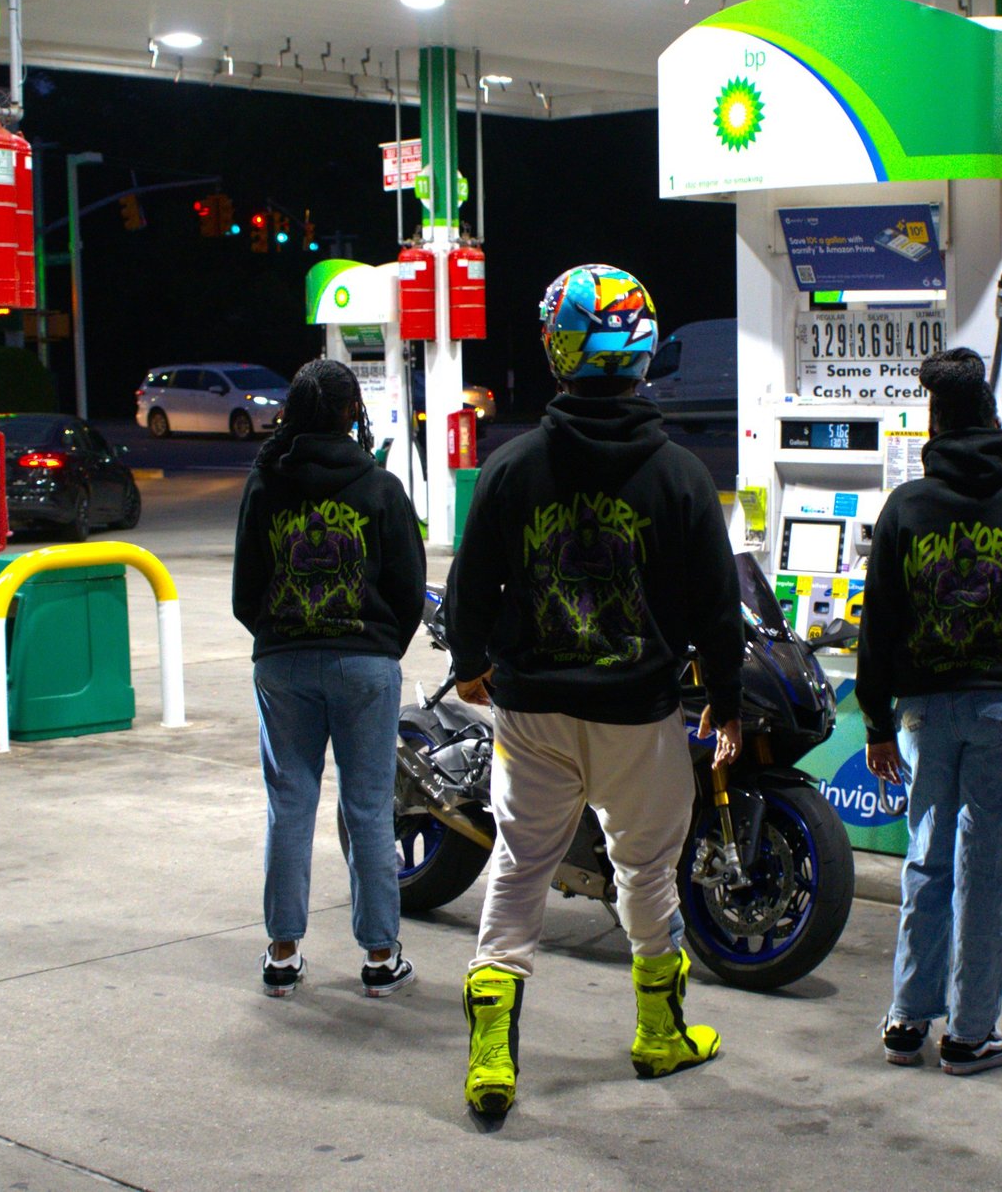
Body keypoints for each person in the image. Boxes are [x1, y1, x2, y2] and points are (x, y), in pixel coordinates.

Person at [443, 264, 744, 1119]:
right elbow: (718, 606)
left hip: (530, 709)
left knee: (519, 862)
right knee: (644, 867)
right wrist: (725, 697)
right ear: (644, 352)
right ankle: (659, 1033)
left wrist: (470, 659)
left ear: (558, 351)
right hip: (638, 716)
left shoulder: (512, 465)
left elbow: (473, 582)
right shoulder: (680, 474)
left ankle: (493, 1057)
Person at [858, 347, 1002, 1075]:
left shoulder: (906, 508)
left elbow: (879, 624)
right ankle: (970, 1033)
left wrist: (875, 718)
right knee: (985, 869)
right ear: (993, 421)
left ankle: (904, 1020)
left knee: (926, 857)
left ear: (936, 422)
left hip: (924, 711)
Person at [232, 358, 427, 1000]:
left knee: (289, 805)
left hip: (283, 664)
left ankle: (282, 955)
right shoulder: (379, 487)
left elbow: (244, 594)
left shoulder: (267, 483)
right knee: (369, 809)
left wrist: (283, 637)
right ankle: (379, 957)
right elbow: (407, 588)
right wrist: (376, 649)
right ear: (352, 413)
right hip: (364, 663)